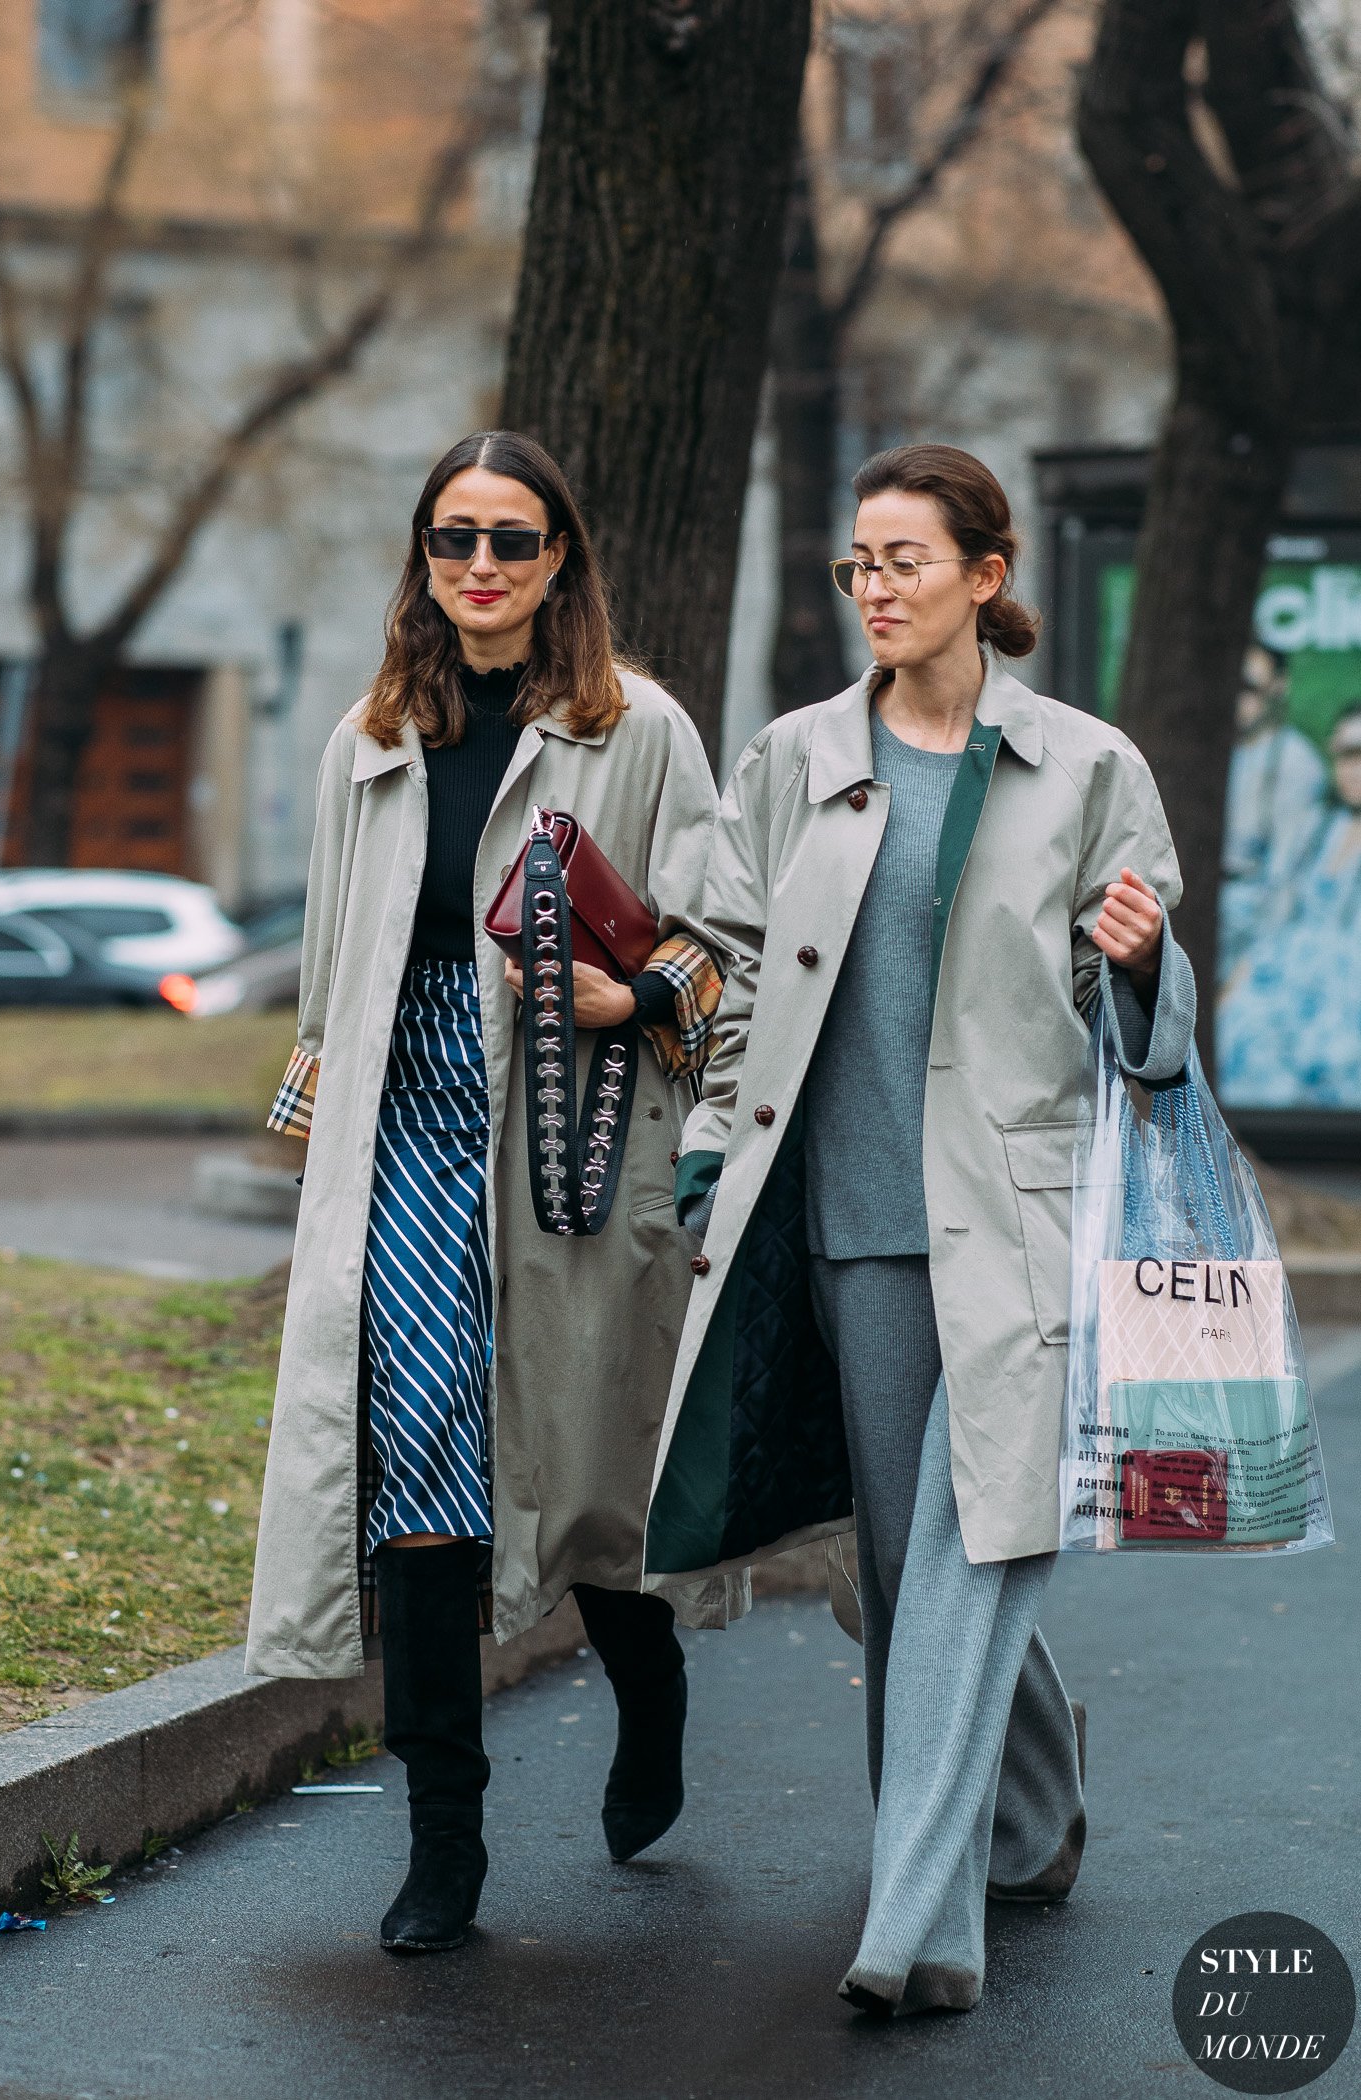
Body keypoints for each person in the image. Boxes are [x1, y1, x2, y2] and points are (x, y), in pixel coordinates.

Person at [646, 443, 1197, 2015]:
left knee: (978, 1537)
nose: (875, 589)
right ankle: (1031, 1817)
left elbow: (1146, 1030)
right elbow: (730, 973)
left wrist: (1146, 961)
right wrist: (705, 1154)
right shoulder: (794, 759)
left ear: (986, 574)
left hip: (1022, 1220)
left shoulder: (1089, 767)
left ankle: (920, 1927)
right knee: (911, 1561)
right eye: (857, 567)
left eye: (903, 561)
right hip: (853, 1224)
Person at [246, 430, 734, 1956]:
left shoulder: (633, 728)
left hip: (572, 1149)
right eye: (453, 539)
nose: (480, 567)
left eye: (512, 541)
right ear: (424, 557)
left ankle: (646, 1695)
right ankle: (442, 1841)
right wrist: (310, 1139)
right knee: (428, 1493)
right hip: (403, 1154)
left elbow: (721, 935)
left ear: (560, 561)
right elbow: (333, 975)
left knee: (585, 1467)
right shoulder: (370, 737)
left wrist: (627, 1003)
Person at [1218, 699, 1361, 1105]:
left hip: (1348, 993)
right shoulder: (1314, 827)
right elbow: (1275, 911)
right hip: (1285, 975)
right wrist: (1239, 977)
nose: (1353, 769)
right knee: (1243, 1031)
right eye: (1345, 755)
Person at [1218, 641, 1325, 976]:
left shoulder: (1297, 762)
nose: (1238, 698)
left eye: (1250, 687)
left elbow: (1286, 879)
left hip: (1256, 931)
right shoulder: (1211, 752)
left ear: (1278, 686)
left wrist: (1251, 967)